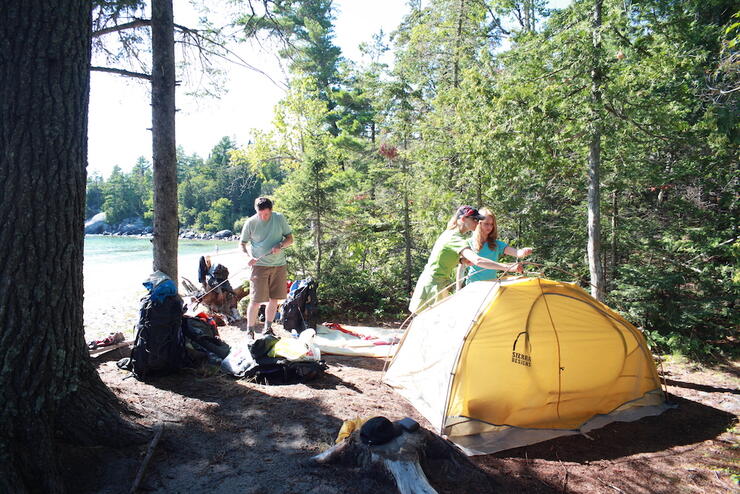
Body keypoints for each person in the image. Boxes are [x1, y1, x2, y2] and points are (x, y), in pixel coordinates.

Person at [408, 205, 524, 314]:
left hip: (436, 282)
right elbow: (478, 260)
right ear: (463, 219)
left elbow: (443, 256)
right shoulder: (456, 238)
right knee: (429, 323)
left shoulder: (451, 233)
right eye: (474, 219)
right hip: (433, 285)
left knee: (425, 324)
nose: (477, 222)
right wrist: (508, 267)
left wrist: (461, 261)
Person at [240, 197, 293, 336]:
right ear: (256, 210)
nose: (263, 217)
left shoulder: (279, 218)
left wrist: (280, 245)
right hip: (259, 266)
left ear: (271, 210)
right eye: (260, 214)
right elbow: (242, 244)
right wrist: (247, 257)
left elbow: (290, 239)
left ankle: (268, 328)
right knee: (256, 300)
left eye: (266, 214)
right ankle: (250, 331)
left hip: (279, 265)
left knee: (274, 299)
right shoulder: (250, 222)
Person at [461, 207, 533, 285]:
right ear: (478, 223)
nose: (489, 227)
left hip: (492, 286)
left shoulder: (496, 244)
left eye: (492, 224)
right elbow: (461, 267)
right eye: (486, 224)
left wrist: (523, 252)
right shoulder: (467, 243)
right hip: (473, 286)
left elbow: (517, 253)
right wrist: (458, 289)